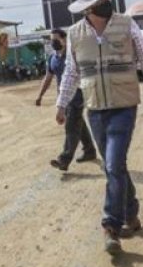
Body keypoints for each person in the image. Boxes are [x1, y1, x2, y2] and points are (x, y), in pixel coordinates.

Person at [56, 0, 143, 255]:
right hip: (95, 109)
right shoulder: (75, 34)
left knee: (112, 164)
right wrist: (61, 104)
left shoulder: (127, 24)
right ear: (87, 9)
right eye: (98, 4)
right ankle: (132, 214)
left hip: (124, 107)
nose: (105, 6)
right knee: (116, 166)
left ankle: (111, 225)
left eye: (105, 0)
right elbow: (71, 72)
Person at [35, 29, 97, 171]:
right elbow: (48, 78)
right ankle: (89, 150)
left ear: (64, 39)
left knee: (71, 127)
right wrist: (40, 95)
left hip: (78, 95)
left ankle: (64, 159)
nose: (53, 43)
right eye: (51, 40)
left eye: (56, 39)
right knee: (77, 124)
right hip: (63, 98)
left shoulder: (74, 55)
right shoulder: (52, 59)